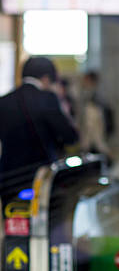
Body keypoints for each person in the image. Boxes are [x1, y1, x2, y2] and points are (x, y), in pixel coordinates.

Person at [0, 57, 79, 208]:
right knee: (41, 225)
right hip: (40, 178)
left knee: (12, 219)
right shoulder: (48, 98)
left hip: (8, 177)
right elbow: (70, 137)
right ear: (46, 78)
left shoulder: (3, 101)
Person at [79, 71, 114, 155]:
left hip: (96, 136)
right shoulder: (89, 95)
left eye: (86, 80)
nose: (83, 82)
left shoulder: (96, 98)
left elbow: (94, 123)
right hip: (94, 138)